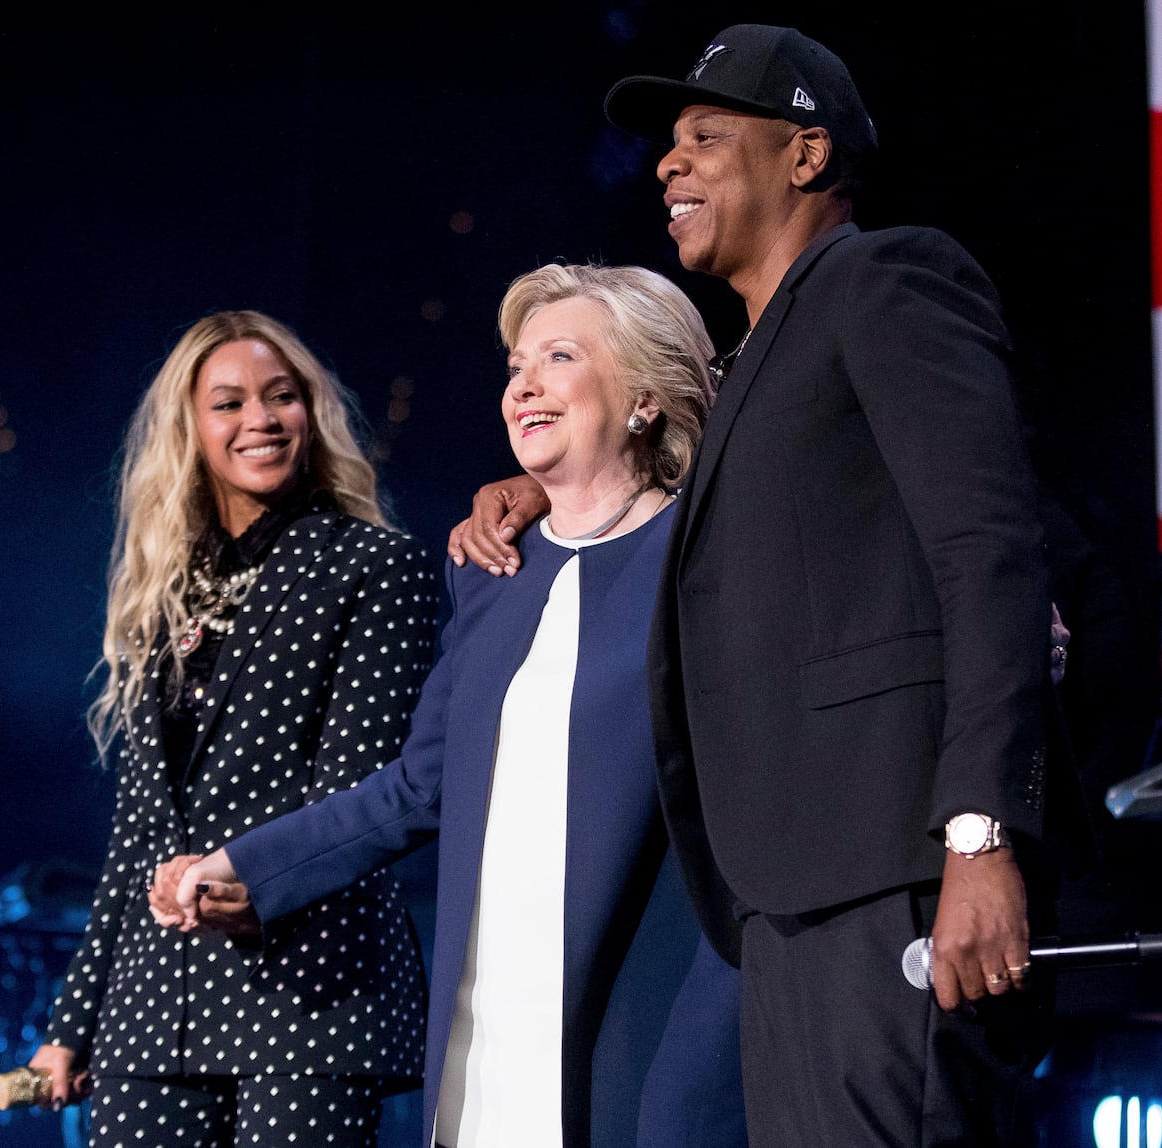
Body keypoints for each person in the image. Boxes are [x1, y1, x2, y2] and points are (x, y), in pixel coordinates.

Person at [449, 24, 1058, 1147]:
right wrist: (543, 489)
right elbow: (714, 518)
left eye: (704, 137)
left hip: (897, 871)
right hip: (780, 903)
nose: (668, 165)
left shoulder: (885, 278)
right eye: (666, 147)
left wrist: (979, 831)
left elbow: (989, 555)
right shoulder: (750, 366)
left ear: (806, 157)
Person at [150, 263, 748, 1148]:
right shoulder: (489, 569)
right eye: (516, 367)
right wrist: (249, 864)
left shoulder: (711, 554)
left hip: (644, 1014)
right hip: (487, 1022)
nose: (526, 384)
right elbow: (420, 786)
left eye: (560, 356)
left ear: (646, 399)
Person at [26, 310, 439, 1147]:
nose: (260, 418)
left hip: (307, 987)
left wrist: (246, 885)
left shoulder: (374, 567)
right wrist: (73, 1021)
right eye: (229, 402)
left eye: (281, 396)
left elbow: (362, 793)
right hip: (155, 1005)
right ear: (190, 428)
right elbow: (139, 831)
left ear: (311, 414)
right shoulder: (164, 592)